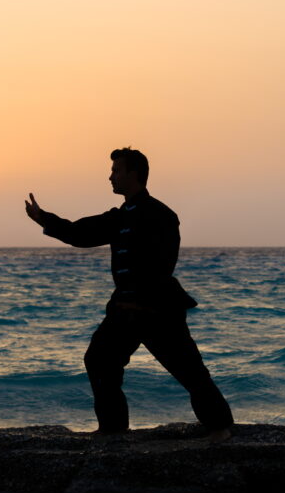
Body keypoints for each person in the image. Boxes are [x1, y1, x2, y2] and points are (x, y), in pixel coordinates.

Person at [24, 147, 234, 439]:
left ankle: (221, 427)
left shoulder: (161, 215)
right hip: (124, 311)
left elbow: (164, 263)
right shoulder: (119, 216)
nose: (111, 176)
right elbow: (81, 233)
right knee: (98, 360)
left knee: (190, 372)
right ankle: (113, 430)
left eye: (116, 171)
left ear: (133, 174)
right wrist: (44, 219)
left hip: (157, 311)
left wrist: (142, 298)